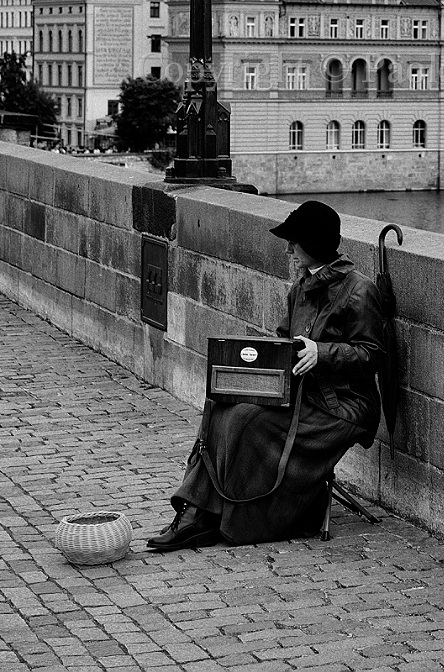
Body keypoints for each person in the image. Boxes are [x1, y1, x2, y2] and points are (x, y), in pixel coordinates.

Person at [147, 200, 384, 552]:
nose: (288, 249)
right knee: (221, 407)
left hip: (342, 406)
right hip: (301, 393)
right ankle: (198, 513)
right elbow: (283, 344)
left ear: (314, 243)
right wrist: (254, 370)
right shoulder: (300, 288)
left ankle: (228, 517)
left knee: (246, 422)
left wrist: (323, 353)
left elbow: (372, 354)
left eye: (294, 241)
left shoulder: (359, 290)